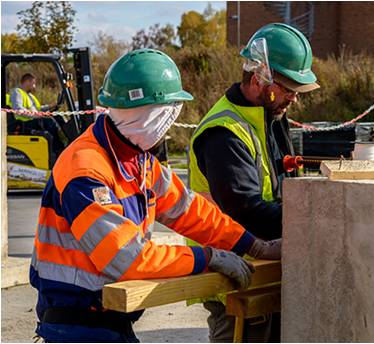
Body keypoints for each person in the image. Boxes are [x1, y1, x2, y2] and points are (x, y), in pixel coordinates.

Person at [29, 48, 280, 343]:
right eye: (171, 110)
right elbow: (126, 258)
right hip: (74, 326)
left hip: (108, 319)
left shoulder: (139, 161)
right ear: (153, 114)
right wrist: (206, 257)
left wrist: (254, 245)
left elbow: (190, 211)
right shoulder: (85, 170)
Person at [187, 23, 320, 342]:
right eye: (289, 89)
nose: (293, 99)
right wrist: (317, 224)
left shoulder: (270, 116)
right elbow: (248, 211)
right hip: (235, 281)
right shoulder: (224, 133)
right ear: (261, 76)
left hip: (267, 273)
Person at [7, 73, 63, 152]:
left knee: (57, 117)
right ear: (27, 82)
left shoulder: (30, 96)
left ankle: (59, 145)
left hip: (32, 120)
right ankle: (57, 149)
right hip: (24, 123)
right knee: (49, 122)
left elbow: (38, 109)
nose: (34, 86)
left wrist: (51, 106)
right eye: (33, 83)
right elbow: (18, 109)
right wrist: (36, 115)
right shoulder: (17, 92)